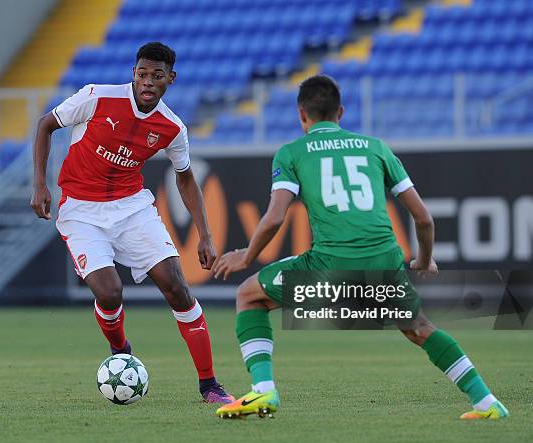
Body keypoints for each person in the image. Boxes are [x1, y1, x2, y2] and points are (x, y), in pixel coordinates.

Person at [211, 75, 508, 419]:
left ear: (301, 115)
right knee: (419, 328)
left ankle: (263, 391)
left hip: (331, 263)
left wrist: (245, 255)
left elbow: (275, 218)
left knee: (249, 295)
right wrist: (424, 262)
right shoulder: (375, 147)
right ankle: (487, 402)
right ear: (341, 112)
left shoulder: (291, 152)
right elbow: (423, 218)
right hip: (385, 260)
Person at [30, 41, 234, 404]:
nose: (148, 82)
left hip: (131, 208)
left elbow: (185, 178)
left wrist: (204, 235)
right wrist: (40, 184)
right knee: (109, 292)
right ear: (133, 74)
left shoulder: (172, 127)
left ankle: (209, 385)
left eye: (157, 76)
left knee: (177, 287)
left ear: (170, 79)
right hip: (80, 210)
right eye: (142, 74)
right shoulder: (96, 97)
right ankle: (120, 350)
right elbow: (46, 125)